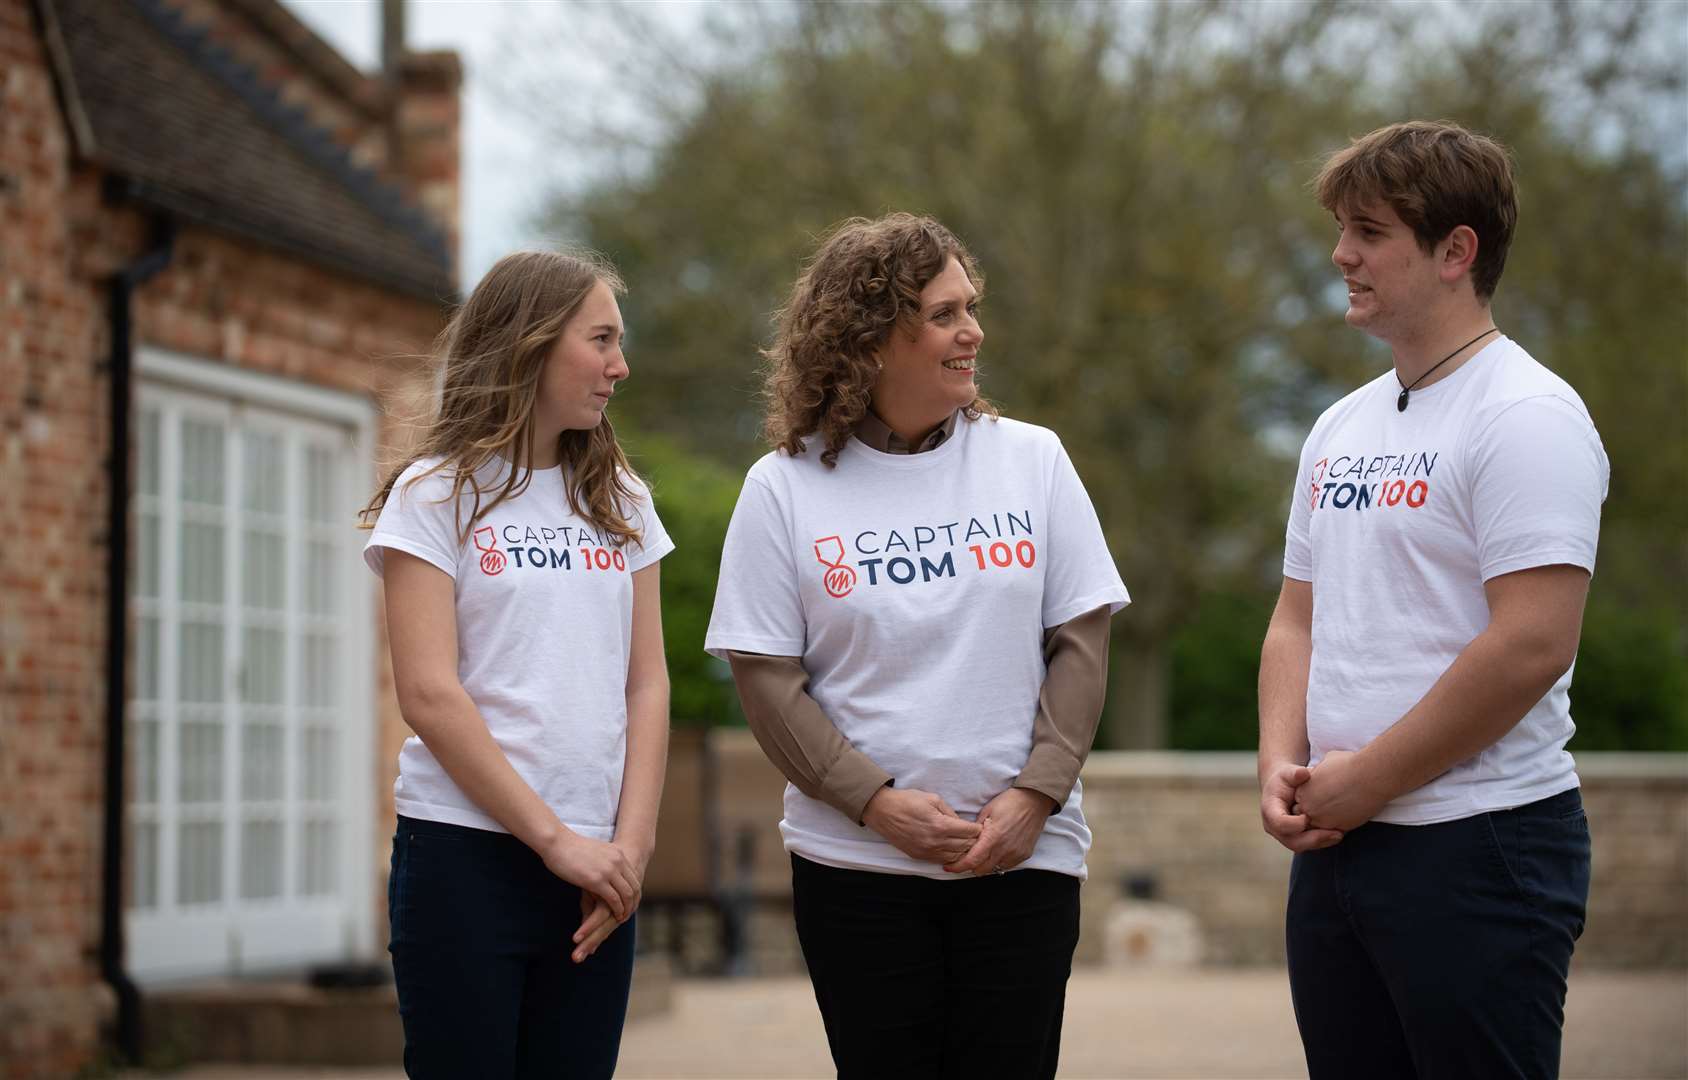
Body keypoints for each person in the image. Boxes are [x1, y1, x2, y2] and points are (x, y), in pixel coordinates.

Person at [706, 213, 1128, 1079]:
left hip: (1024, 860)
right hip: (855, 865)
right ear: (868, 339)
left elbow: (1081, 642)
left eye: (970, 307)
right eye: (943, 315)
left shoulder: (1034, 460)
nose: (973, 331)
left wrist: (1036, 796)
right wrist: (875, 803)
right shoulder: (781, 488)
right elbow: (767, 679)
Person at [1258, 121, 1608, 1080]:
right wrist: (1281, 760)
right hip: (1335, 851)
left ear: (1457, 251)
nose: (1341, 255)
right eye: (1341, 230)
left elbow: (1531, 646)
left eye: (1369, 231)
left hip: (1482, 849)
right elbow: (1297, 615)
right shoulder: (1340, 422)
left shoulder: (1528, 416)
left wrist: (1370, 779)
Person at [358, 250, 673, 1079]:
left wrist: (628, 852)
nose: (620, 365)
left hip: (599, 873)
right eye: (601, 339)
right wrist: (555, 843)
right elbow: (428, 693)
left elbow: (647, 684)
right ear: (530, 344)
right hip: (466, 861)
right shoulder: (434, 493)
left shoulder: (623, 499)